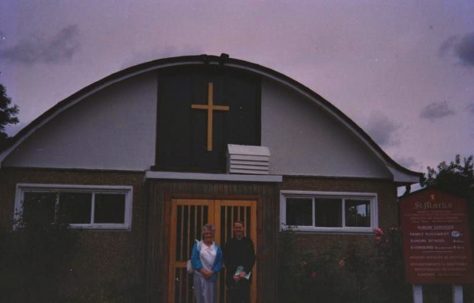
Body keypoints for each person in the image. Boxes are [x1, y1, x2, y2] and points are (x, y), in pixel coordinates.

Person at [223, 221, 256, 303]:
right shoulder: (229, 242)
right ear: (233, 229)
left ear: (243, 228)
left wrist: (244, 272)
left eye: (240, 227)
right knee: (233, 299)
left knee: (245, 298)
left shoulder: (248, 242)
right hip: (232, 276)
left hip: (245, 274)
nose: (238, 229)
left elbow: (251, 258)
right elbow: (226, 259)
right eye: (236, 227)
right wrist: (235, 274)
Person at [191, 223, 223, 303]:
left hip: (211, 277)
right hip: (199, 276)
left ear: (213, 234)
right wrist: (203, 271)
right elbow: (194, 259)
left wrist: (212, 272)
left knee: (211, 299)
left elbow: (219, 261)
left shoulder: (217, 247)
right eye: (206, 233)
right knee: (200, 298)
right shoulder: (198, 245)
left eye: (210, 233)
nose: (208, 235)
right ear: (203, 234)